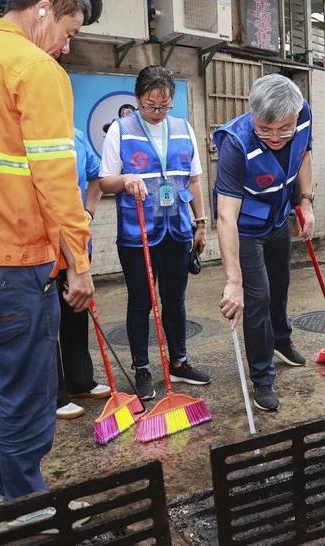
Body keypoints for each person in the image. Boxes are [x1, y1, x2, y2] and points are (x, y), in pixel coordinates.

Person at [0, 0, 96, 510]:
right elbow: (57, 184)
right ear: (46, 9)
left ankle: (5, 486)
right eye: (69, 31)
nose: (66, 46)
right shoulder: (34, 68)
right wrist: (80, 266)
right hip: (15, 266)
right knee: (28, 397)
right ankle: (26, 507)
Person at [100, 65, 211, 400]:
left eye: (165, 106)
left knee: (175, 301)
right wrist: (125, 180)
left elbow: (193, 179)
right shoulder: (120, 129)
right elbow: (105, 181)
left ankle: (179, 362)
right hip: (138, 235)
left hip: (176, 230)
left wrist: (201, 222)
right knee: (141, 302)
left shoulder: (183, 128)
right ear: (139, 98)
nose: (158, 112)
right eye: (151, 105)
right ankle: (142, 368)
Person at [215, 74, 314, 412]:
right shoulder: (235, 143)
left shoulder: (303, 116)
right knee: (257, 298)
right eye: (265, 129)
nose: (274, 137)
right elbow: (226, 216)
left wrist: (307, 202)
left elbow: (303, 155)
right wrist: (233, 281)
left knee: (281, 287)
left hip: (278, 219)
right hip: (245, 228)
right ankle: (262, 376)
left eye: (282, 129)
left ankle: (281, 341)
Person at [56, 128, 110, 420]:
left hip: (76, 241)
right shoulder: (27, 134)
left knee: (76, 311)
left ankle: (80, 381)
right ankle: (54, 393)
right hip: (42, 245)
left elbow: (97, 177)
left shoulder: (75, 135)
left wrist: (88, 211)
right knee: (46, 321)